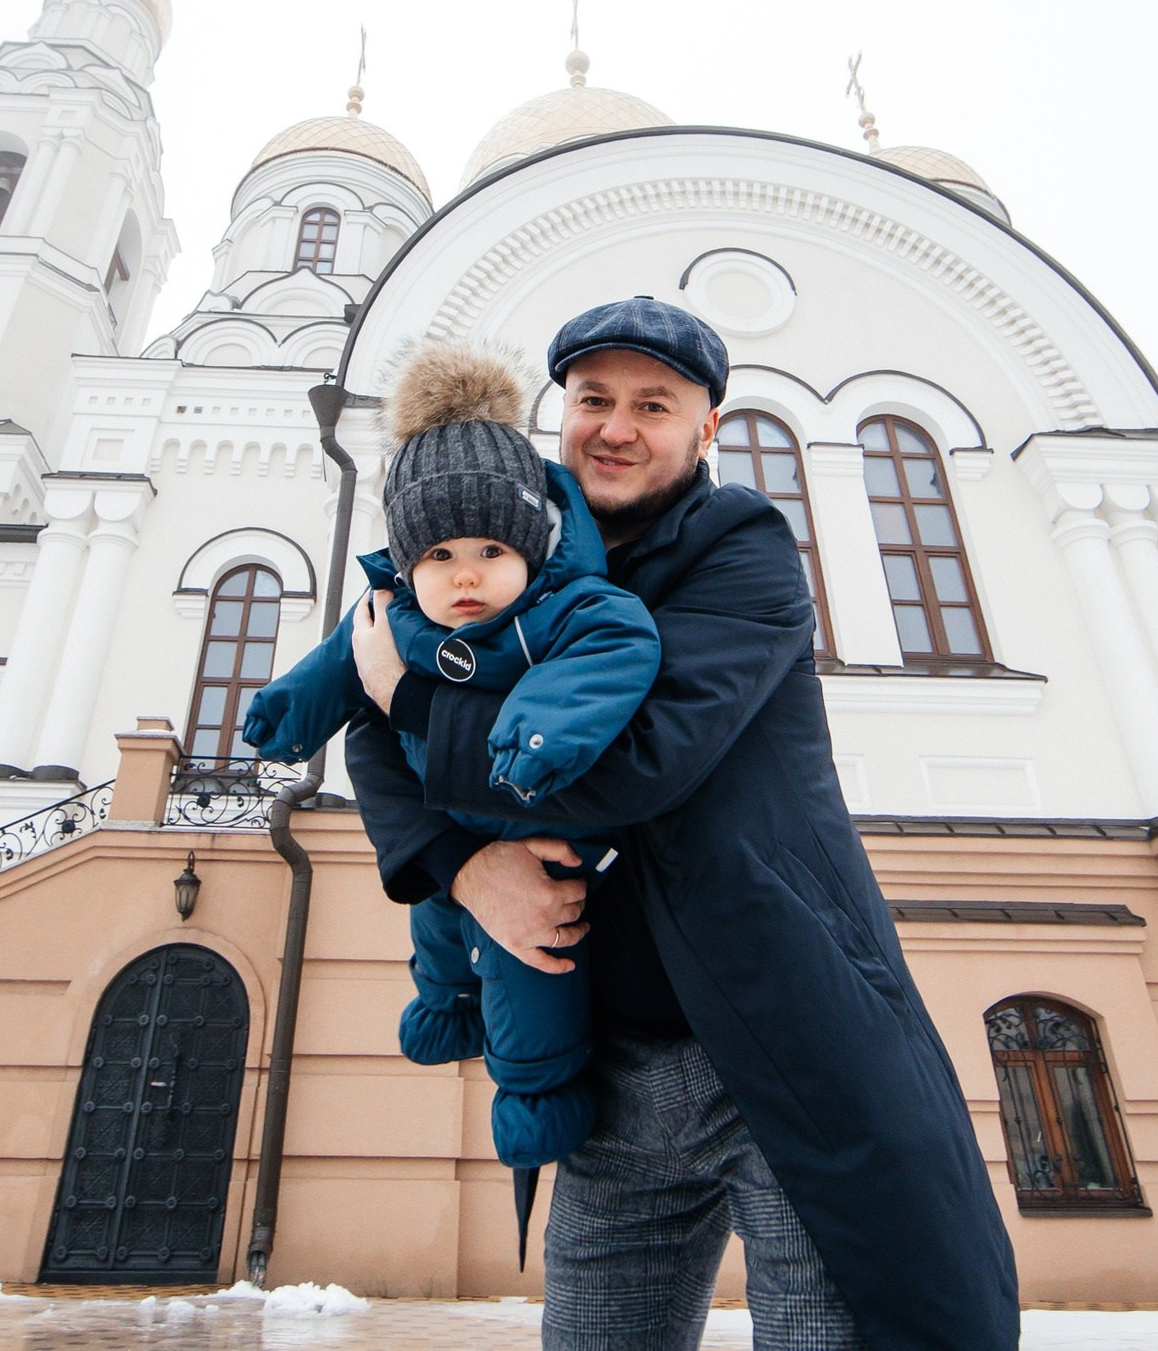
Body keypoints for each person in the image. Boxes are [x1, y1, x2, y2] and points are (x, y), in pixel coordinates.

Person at [344, 298, 1020, 1351]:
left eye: (652, 404)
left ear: (706, 430)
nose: (615, 426)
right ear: (557, 413)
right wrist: (464, 865)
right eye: (593, 399)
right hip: (609, 1066)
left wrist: (411, 697)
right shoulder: (502, 551)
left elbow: (635, 764)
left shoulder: (737, 548)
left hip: (775, 1045)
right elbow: (374, 724)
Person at [242, 343, 659, 1205]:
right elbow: (343, 668)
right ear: (406, 563)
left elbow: (614, 657)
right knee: (437, 928)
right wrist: (289, 711)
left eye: (488, 549)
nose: (464, 572)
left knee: (529, 969)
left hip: (538, 832)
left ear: (534, 543)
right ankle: (442, 1008)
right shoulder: (392, 614)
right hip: (449, 835)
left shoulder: (567, 606)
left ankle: (537, 1102)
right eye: (437, 556)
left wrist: (537, 733)